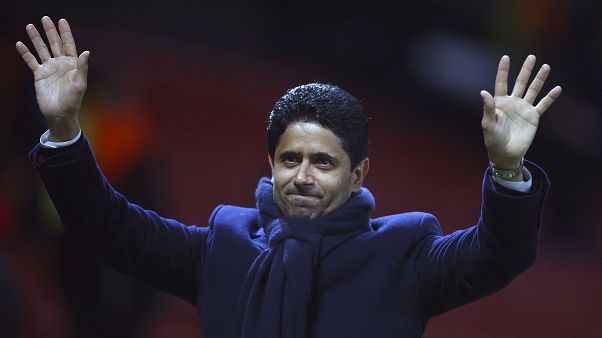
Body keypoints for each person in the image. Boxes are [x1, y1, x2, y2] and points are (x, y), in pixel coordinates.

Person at [18, 16, 561, 338]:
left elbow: (499, 254)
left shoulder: (406, 255)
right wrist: (65, 128)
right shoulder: (223, 246)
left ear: (358, 176)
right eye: (289, 159)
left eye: (323, 162)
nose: (302, 175)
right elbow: (104, 226)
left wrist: (507, 167)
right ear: (271, 163)